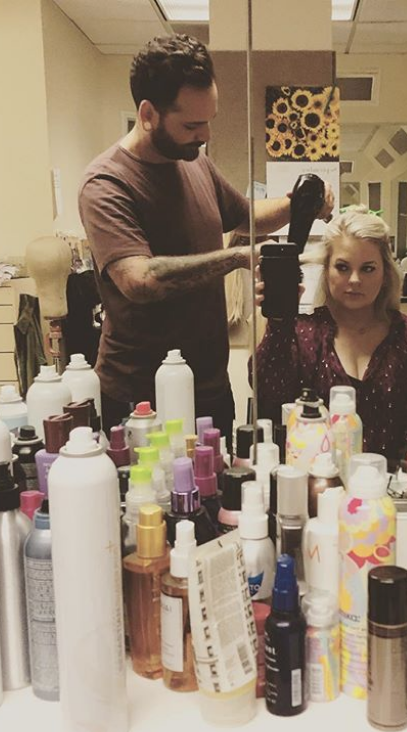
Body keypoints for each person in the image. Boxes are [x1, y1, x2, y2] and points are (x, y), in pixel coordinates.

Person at [78, 34, 333, 437]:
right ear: (148, 114)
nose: (206, 134)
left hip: (209, 386)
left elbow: (244, 216)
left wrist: (299, 204)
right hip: (140, 396)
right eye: (192, 125)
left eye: (209, 120)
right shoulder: (107, 184)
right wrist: (236, 258)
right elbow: (139, 280)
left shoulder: (194, 161)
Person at [253, 206, 407, 462]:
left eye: (368, 269)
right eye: (343, 267)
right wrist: (279, 324)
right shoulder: (302, 335)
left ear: (385, 272)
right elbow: (268, 397)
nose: (355, 280)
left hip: (394, 481)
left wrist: (404, 475)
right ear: (326, 270)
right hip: (316, 478)